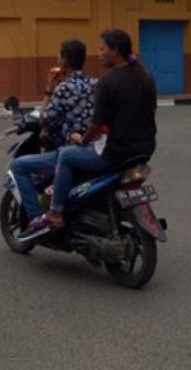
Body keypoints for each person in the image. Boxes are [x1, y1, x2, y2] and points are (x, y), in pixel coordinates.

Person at [40, 29, 156, 232]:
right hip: (144, 150)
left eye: (102, 49)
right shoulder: (145, 77)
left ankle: (56, 212)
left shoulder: (107, 83)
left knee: (67, 155)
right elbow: (151, 110)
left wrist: (82, 140)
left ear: (116, 50)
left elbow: (95, 124)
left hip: (116, 153)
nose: (99, 54)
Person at [13, 39, 97, 240]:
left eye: (59, 56)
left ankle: (37, 220)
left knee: (19, 166)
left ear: (65, 61)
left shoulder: (63, 88)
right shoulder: (97, 84)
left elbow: (45, 119)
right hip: (94, 148)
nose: (58, 60)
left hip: (70, 151)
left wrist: (50, 88)